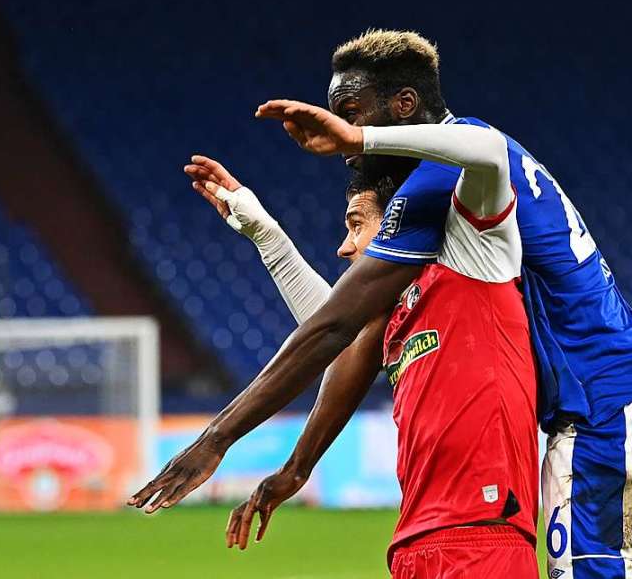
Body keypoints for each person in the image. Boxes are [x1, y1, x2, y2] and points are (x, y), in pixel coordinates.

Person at [131, 30, 632, 579]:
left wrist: (359, 139)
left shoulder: (455, 171)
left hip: (601, 404)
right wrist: (267, 236)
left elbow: (337, 325)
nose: (340, 127)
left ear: (406, 105)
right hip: (583, 407)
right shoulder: (439, 232)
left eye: (351, 110)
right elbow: (356, 334)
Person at [173, 117, 539, 577]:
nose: (345, 247)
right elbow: (333, 328)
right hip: (414, 541)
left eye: (356, 224)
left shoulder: (471, 271)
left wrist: (361, 139)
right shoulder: (398, 313)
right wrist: (265, 234)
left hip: (483, 534)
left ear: (397, 220)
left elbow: (488, 151)